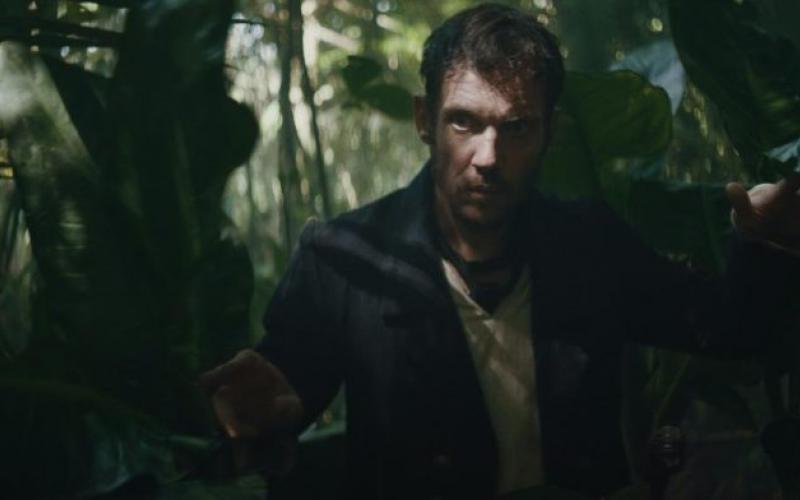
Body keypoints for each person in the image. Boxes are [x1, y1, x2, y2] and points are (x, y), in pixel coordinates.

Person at [200, 3, 800, 498]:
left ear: (549, 132)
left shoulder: (590, 243)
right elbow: (283, 388)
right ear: (425, 120)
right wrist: (256, 416)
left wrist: (764, 239)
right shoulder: (343, 257)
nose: (488, 157)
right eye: (464, 122)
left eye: (515, 128)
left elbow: (728, 328)